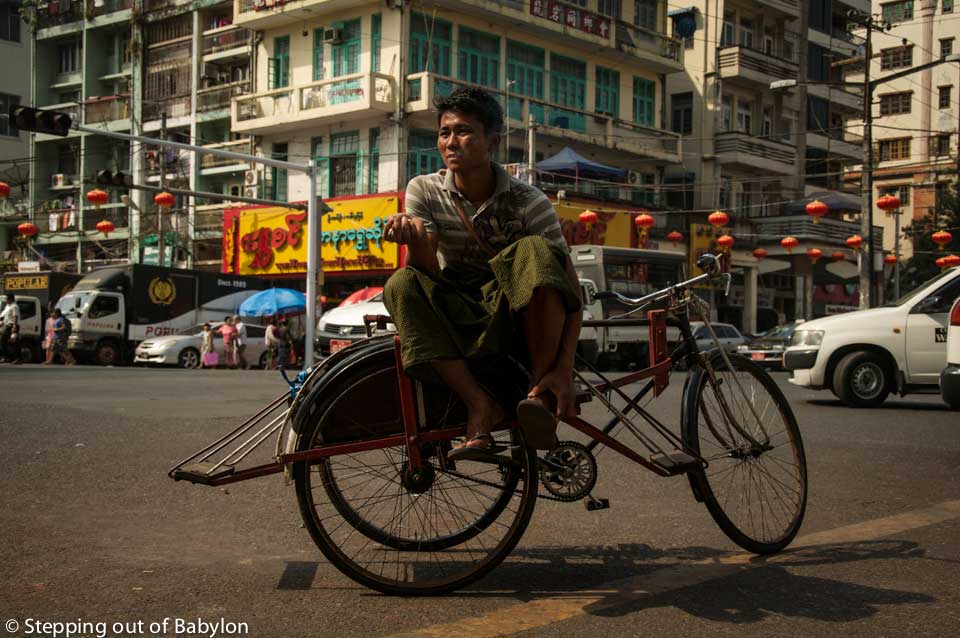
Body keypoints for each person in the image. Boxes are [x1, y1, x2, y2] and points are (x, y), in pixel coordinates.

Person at [382, 87, 582, 461]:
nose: (451, 142)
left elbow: (570, 293)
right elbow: (424, 270)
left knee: (536, 251)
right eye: (444, 133)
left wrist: (564, 368)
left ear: (492, 141)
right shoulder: (423, 190)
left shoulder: (529, 202)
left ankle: (537, 393)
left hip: (514, 317)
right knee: (401, 283)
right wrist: (414, 240)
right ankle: (480, 405)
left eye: (463, 131)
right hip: (457, 311)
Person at [0, 293, 21, 364]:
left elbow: (15, 316)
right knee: (7, 341)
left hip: (12, 325)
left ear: (11, 299)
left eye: (7, 299)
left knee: (13, 342)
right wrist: (2, 324)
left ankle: (16, 358)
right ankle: (7, 357)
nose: (6, 300)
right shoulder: (7, 306)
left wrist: (14, 326)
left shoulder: (14, 306)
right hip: (7, 325)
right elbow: (6, 317)